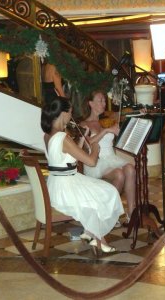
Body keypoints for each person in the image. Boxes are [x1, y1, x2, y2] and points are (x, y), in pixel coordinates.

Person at [41, 97, 124, 255]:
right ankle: (94, 236)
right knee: (106, 193)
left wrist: (80, 140)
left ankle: (92, 235)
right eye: (70, 113)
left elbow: (67, 156)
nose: (71, 117)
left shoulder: (48, 134)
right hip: (65, 187)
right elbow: (91, 162)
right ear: (63, 114)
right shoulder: (63, 137)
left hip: (57, 182)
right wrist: (95, 147)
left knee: (101, 192)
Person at [80, 90, 136, 220]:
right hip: (96, 161)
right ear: (91, 104)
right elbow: (87, 143)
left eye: (104, 100)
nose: (104, 103)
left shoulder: (108, 120)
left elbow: (124, 122)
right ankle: (108, 214)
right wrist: (105, 131)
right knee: (119, 174)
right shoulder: (84, 124)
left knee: (130, 169)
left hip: (112, 158)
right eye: (100, 100)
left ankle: (131, 212)